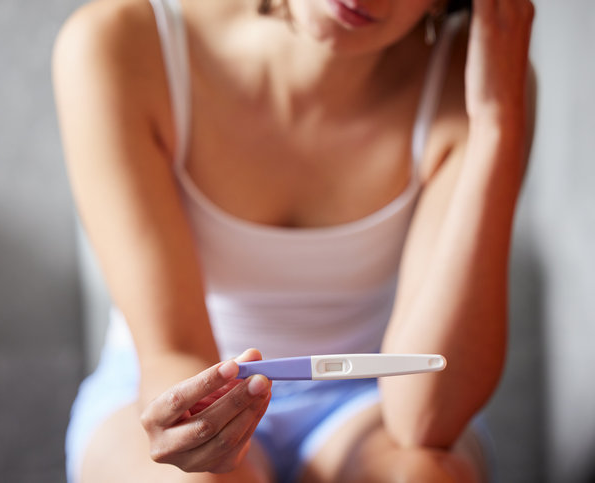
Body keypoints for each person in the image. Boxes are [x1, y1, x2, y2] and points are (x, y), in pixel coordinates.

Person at [52, 0, 535, 481]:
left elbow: (425, 418)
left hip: (368, 401)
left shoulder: (473, 79)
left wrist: (496, 122)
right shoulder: (122, 44)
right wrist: (192, 428)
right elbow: (173, 348)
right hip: (168, 381)